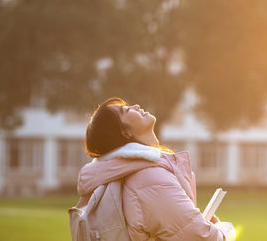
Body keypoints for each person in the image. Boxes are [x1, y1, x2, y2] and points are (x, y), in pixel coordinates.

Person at [76, 97, 236, 240]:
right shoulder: (149, 177)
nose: (136, 106)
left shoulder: (133, 172)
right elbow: (201, 238)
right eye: (126, 110)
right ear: (125, 132)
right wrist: (226, 229)